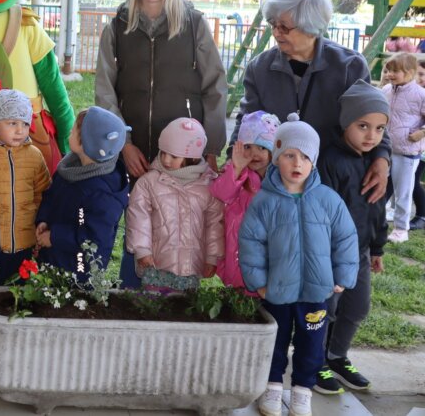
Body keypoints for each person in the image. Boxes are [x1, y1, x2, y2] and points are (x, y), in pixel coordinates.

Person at [95, 0, 226, 288]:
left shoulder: (193, 24)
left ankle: (176, 301)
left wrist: (210, 146)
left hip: (182, 152)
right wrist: (123, 143)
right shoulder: (118, 26)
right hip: (135, 148)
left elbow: (215, 84)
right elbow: (105, 90)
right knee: (139, 220)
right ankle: (132, 295)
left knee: (178, 223)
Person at [231, 0, 390, 208]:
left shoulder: (349, 66)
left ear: (311, 26)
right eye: (273, 23)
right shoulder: (260, 68)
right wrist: (232, 162)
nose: (276, 32)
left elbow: (373, 116)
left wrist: (381, 158)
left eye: (284, 26)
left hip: (332, 182)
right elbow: (246, 121)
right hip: (276, 183)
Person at [239, 114, 359, 416]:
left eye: (305, 157)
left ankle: (303, 390)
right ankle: (272, 386)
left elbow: (346, 237)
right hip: (276, 290)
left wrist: (342, 275)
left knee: (311, 344)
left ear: (314, 162)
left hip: (316, 292)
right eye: (289, 155)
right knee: (275, 342)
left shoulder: (328, 200)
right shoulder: (264, 202)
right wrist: (258, 281)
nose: (297, 163)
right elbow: (251, 242)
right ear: (276, 157)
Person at [0, 88, 51, 369]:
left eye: (24, 123)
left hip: (25, 245)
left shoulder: (35, 156)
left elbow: (42, 193)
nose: (19, 130)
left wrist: (41, 223)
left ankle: (14, 342)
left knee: (19, 295)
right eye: (12, 123)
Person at [316, 81, 390, 394]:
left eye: (379, 128)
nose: (371, 136)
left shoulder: (378, 164)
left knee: (358, 308)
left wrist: (377, 248)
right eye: (363, 126)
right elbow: (320, 213)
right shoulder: (329, 160)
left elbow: (378, 210)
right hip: (331, 255)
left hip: (360, 253)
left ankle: (337, 356)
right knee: (325, 310)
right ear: (346, 122)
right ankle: (313, 360)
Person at [126, 117, 223, 292]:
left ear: (193, 158)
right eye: (163, 152)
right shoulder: (149, 183)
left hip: (190, 266)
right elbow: (138, 217)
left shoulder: (208, 186)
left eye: (174, 156)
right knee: (154, 308)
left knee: (183, 311)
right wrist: (142, 250)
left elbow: (215, 224)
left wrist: (212, 257)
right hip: (156, 264)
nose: (166, 160)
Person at [34, 106, 130, 281]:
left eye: (73, 131)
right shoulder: (71, 168)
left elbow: (94, 239)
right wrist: (44, 219)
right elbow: (52, 195)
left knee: (69, 304)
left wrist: (55, 236)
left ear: (85, 142)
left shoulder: (103, 195)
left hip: (78, 268)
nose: (69, 132)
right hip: (55, 256)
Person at [209, 111, 279, 293]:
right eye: (247, 147)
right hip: (237, 249)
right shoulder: (237, 173)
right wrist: (237, 169)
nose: (254, 154)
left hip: (265, 252)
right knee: (240, 297)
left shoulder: (279, 181)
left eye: (262, 148)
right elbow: (220, 193)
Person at [381, 53, 425, 244]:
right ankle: (376, 219)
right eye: (388, 70)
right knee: (380, 186)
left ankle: (401, 229)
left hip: (407, 151)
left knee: (404, 191)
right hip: (384, 148)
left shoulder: (420, 94)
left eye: (395, 71)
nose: (390, 74)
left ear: (410, 72)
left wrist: (421, 132)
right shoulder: (386, 90)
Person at [413, 59, 425, 231]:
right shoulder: (416, 93)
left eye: (421, 74)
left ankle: (422, 215)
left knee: (414, 179)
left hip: (420, 147)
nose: (418, 78)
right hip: (415, 147)